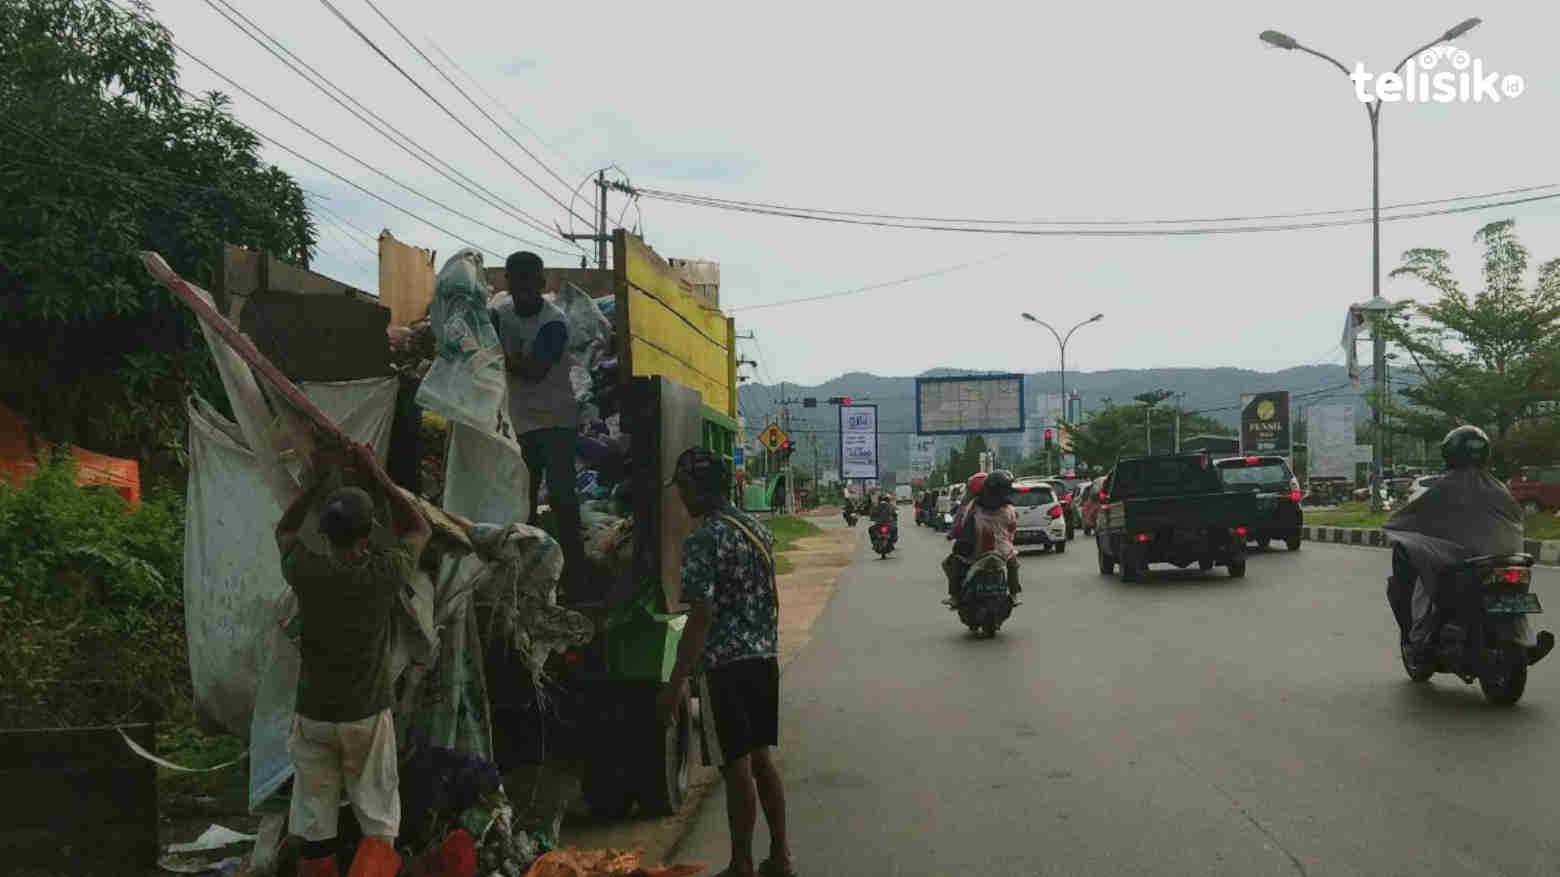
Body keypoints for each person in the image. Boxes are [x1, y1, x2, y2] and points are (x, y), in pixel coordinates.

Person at [275, 442, 430, 877]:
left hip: (314, 717)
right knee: (379, 823)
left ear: (325, 534)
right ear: (369, 533)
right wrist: (375, 473)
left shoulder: (308, 572)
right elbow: (419, 528)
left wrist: (317, 485)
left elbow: (283, 531)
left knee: (316, 826)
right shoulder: (383, 575)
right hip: (365, 715)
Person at [657, 447, 795, 877]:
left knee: (735, 766)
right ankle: (780, 857)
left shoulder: (704, 539)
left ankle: (741, 864)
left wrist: (676, 681)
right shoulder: (756, 529)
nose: (680, 496)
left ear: (697, 489)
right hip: (762, 659)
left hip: (725, 667)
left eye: (682, 488)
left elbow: (700, 617)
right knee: (761, 760)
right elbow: (772, 596)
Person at [490, 251, 587, 599]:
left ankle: (575, 573)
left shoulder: (554, 322)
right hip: (520, 422)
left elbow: (534, 371)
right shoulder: (499, 314)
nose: (525, 291)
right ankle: (527, 573)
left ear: (542, 284)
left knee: (562, 496)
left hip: (557, 420)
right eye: (518, 285)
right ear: (509, 284)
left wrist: (498, 353)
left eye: (531, 284)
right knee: (522, 498)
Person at [970, 469, 1022, 599]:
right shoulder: (1008, 510)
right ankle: (1014, 594)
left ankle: (955, 595)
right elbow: (1012, 530)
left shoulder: (975, 507)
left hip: (978, 550)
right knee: (1013, 564)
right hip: (1002, 550)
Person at [944, 473, 985, 601]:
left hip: (971, 547)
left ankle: (954, 596)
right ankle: (1014, 593)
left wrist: (951, 534)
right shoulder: (1002, 504)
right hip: (998, 547)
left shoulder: (967, 505)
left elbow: (957, 525)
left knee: (951, 563)